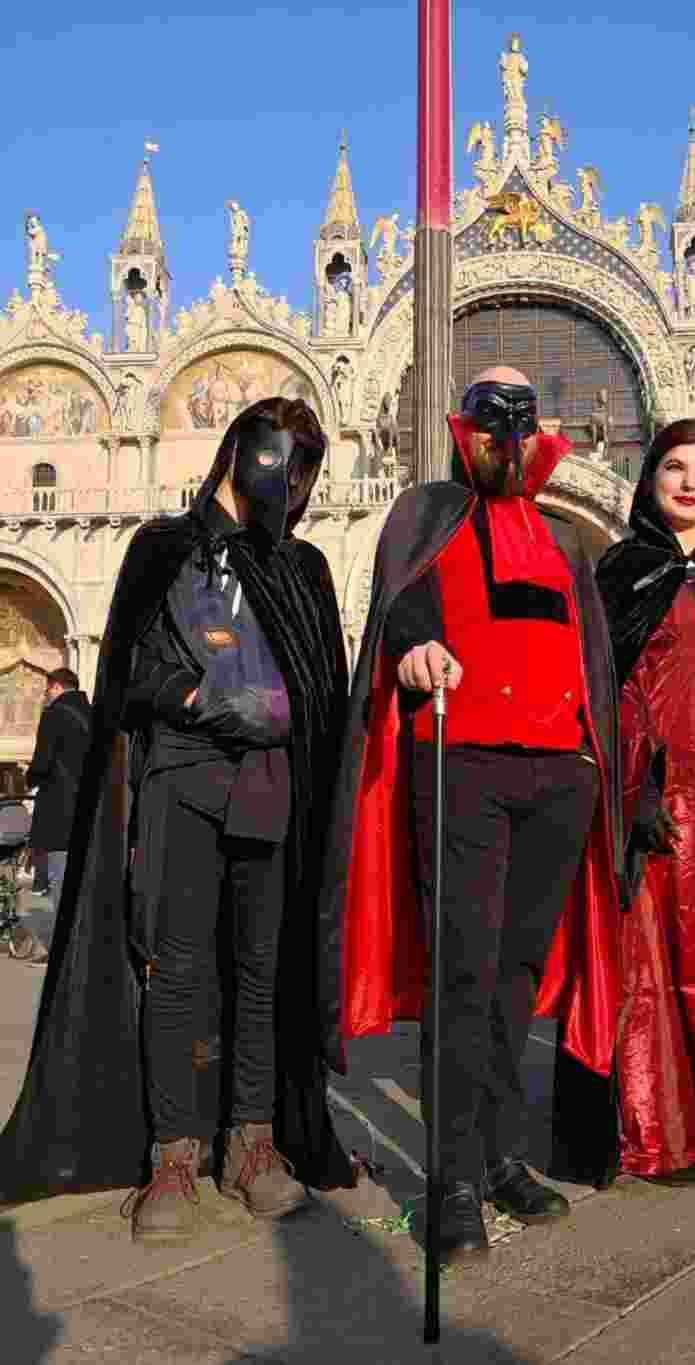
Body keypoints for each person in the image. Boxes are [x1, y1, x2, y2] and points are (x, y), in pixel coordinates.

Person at [0, 397, 360, 1237]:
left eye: (307, 463)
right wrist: (204, 696)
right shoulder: (161, 549)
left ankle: (254, 1145)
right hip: (178, 782)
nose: (290, 476)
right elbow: (128, 679)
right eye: (279, 454)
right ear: (237, 450)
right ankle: (173, 1152)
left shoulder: (302, 566)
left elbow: (316, 692)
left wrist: (272, 709)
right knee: (179, 968)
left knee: (264, 969)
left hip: (271, 787)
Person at [319, 365, 621, 1266]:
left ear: (538, 433)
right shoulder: (424, 514)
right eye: (489, 414)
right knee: (462, 971)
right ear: (463, 428)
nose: (505, 431)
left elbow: (594, 654)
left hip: (558, 776)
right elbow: (399, 610)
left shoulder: (568, 540)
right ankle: (447, 1175)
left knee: (517, 978)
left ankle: (497, 1156)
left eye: (521, 416)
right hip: (461, 763)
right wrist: (413, 650)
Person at [548, 420, 695, 1190]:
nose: (690, 483)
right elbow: (601, 686)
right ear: (649, 478)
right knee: (652, 961)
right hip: (652, 793)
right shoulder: (623, 571)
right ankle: (657, 1133)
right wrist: (634, 780)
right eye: (675, 468)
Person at [11, 668, 91, 963]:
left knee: (60, 880)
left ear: (55, 687)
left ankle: (62, 952)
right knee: (82, 881)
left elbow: (43, 762)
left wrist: (29, 779)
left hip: (60, 813)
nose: (46, 697)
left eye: (46, 691)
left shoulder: (56, 714)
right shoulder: (93, 713)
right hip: (89, 813)